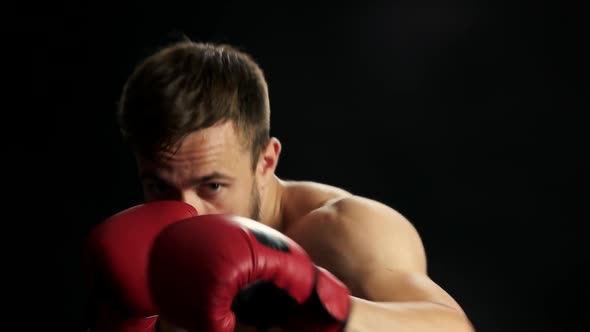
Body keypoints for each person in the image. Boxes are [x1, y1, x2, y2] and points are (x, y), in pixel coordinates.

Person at [86, 38, 475, 332]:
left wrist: (314, 300)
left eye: (212, 186)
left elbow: (453, 326)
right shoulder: (145, 253)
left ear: (266, 161)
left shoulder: (344, 230)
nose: (186, 213)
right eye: (158, 186)